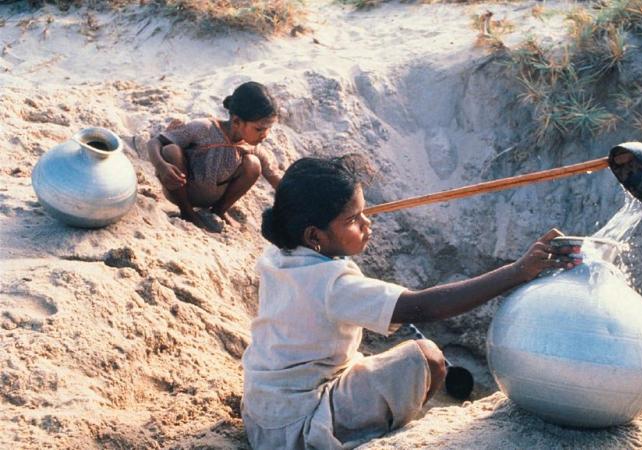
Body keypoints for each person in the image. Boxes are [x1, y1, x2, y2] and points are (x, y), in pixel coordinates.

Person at [242, 155, 580, 449]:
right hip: (299, 429)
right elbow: (424, 307)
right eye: (353, 220)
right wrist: (517, 272)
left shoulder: (280, 252)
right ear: (314, 236)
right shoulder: (333, 285)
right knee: (427, 358)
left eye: (364, 212)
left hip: (265, 414)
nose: (367, 223)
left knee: (376, 361)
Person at [147, 81, 283, 230]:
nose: (265, 135)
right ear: (237, 121)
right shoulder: (203, 128)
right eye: (259, 129)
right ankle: (187, 212)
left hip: (214, 197)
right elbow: (155, 142)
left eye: (268, 129)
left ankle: (218, 210)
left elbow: (276, 179)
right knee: (170, 150)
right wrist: (161, 166)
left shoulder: (252, 147)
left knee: (253, 164)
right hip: (183, 190)